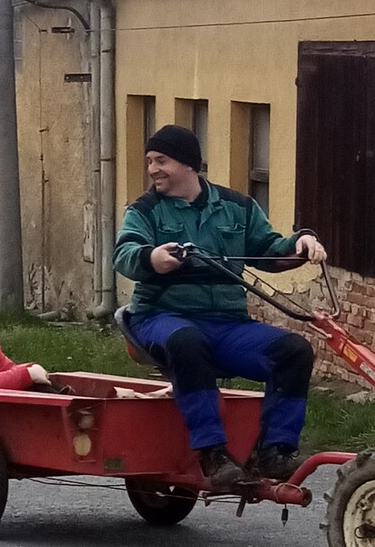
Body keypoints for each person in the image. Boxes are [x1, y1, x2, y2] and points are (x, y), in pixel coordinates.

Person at [114, 125, 327, 489]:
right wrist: (151, 258)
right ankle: (212, 453)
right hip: (160, 318)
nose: (152, 170)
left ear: (188, 163)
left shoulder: (237, 207)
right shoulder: (144, 211)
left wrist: (301, 244)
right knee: (187, 341)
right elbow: (124, 253)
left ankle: (275, 451)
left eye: (161, 161)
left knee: (295, 350)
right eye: (149, 161)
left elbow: (268, 250)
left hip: (228, 324)